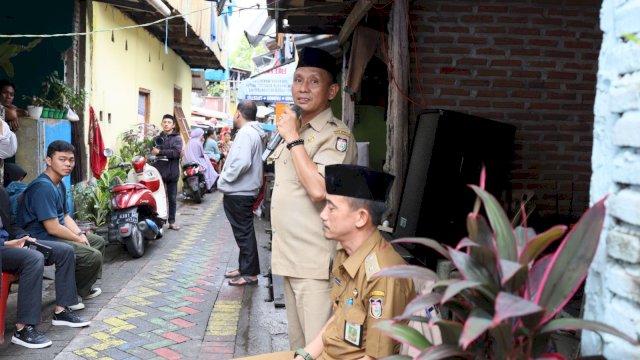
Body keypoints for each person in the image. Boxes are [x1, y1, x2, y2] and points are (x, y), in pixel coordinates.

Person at [238, 165, 415, 360]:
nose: (323, 215)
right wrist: (304, 356)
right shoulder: (345, 252)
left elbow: (376, 358)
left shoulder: (384, 276)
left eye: (331, 208)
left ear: (361, 218)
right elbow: (339, 317)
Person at [269, 47, 358, 349]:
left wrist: (293, 139)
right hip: (291, 258)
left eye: (314, 82)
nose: (303, 88)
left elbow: (319, 189)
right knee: (298, 347)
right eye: (298, 80)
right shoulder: (299, 128)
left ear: (332, 90)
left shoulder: (335, 136)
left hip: (315, 264)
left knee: (318, 351)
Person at [0, 187, 90, 349]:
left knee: (65, 251)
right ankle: (23, 329)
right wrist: (6, 243)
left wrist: (23, 238)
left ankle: (62, 310)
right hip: (3, 247)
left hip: (10, 244)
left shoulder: (2, 193)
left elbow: (11, 224)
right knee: (34, 259)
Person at [17, 140, 105, 302]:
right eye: (62, 159)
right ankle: (69, 297)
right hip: (39, 238)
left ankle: (81, 289)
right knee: (92, 255)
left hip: (53, 233)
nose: (68, 164)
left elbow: (64, 216)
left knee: (97, 241)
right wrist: (78, 238)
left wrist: (80, 233)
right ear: (49, 161)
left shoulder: (59, 184)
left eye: (71, 160)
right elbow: (53, 228)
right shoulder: (43, 187)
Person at [217, 100, 266, 286]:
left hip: (240, 192)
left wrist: (223, 179)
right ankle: (244, 267)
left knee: (244, 233)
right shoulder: (255, 132)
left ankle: (250, 274)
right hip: (245, 190)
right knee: (243, 232)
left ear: (238, 114)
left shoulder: (246, 133)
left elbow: (242, 162)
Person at [152, 114, 183, 230]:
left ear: (173, 125)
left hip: (172, 173)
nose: (166, 124)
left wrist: (159, 152)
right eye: (164, 122)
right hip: (158, 172)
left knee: (172, 198)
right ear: (161, 124)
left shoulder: (177, 139)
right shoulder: (157, 138)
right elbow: (152, 152)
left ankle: (172, 221)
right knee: (158, 198)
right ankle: (158, 222)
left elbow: (176, 153)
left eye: (169, 122)